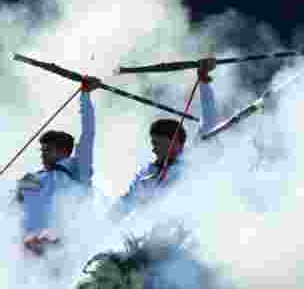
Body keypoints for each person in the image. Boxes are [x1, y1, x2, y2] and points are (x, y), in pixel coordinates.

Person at [112, 59, 218, 220]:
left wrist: (203, 82)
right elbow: (124, 204)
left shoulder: (193, 159)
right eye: (153, 144)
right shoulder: (147, 173)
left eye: (157, 144)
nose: (153, 150)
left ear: (174, 141)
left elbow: (209, 120)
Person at [16, 76, 100, 254]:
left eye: (48, 150)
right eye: (42, 150)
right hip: (34, 248)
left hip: (68, 243)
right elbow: (9, 208)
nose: (42, 154)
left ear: (64, 151)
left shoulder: (78, 170)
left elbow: (88, 133)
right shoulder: (33, 178)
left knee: (49, 237)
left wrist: (85, 96)